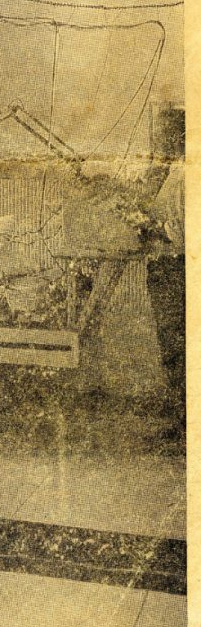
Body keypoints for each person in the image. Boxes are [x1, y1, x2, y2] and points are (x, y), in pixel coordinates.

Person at [144, 159, 185, 441]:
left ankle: (184, 423)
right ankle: (180, 418)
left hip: (175, 267)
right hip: (164, 266)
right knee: (170, 347)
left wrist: (151, 230)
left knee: (176, 346)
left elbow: (182, 232)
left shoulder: (184, 174)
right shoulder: (172, 172)